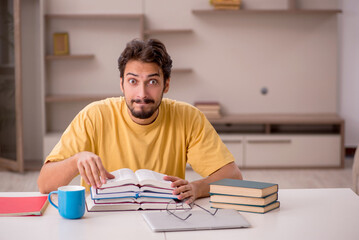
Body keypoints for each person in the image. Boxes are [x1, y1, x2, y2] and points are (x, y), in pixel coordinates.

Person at [37, 38, 242, 204]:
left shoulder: (188, 117)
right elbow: (44, 184)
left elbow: (233, 176)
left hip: (165, 215)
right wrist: (75, 160)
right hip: (104, 218)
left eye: (152, 82)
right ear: (122, 84)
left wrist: (196, 188)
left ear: (166, 84)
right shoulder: (93, 116)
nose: (141, 94)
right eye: (133, 81)